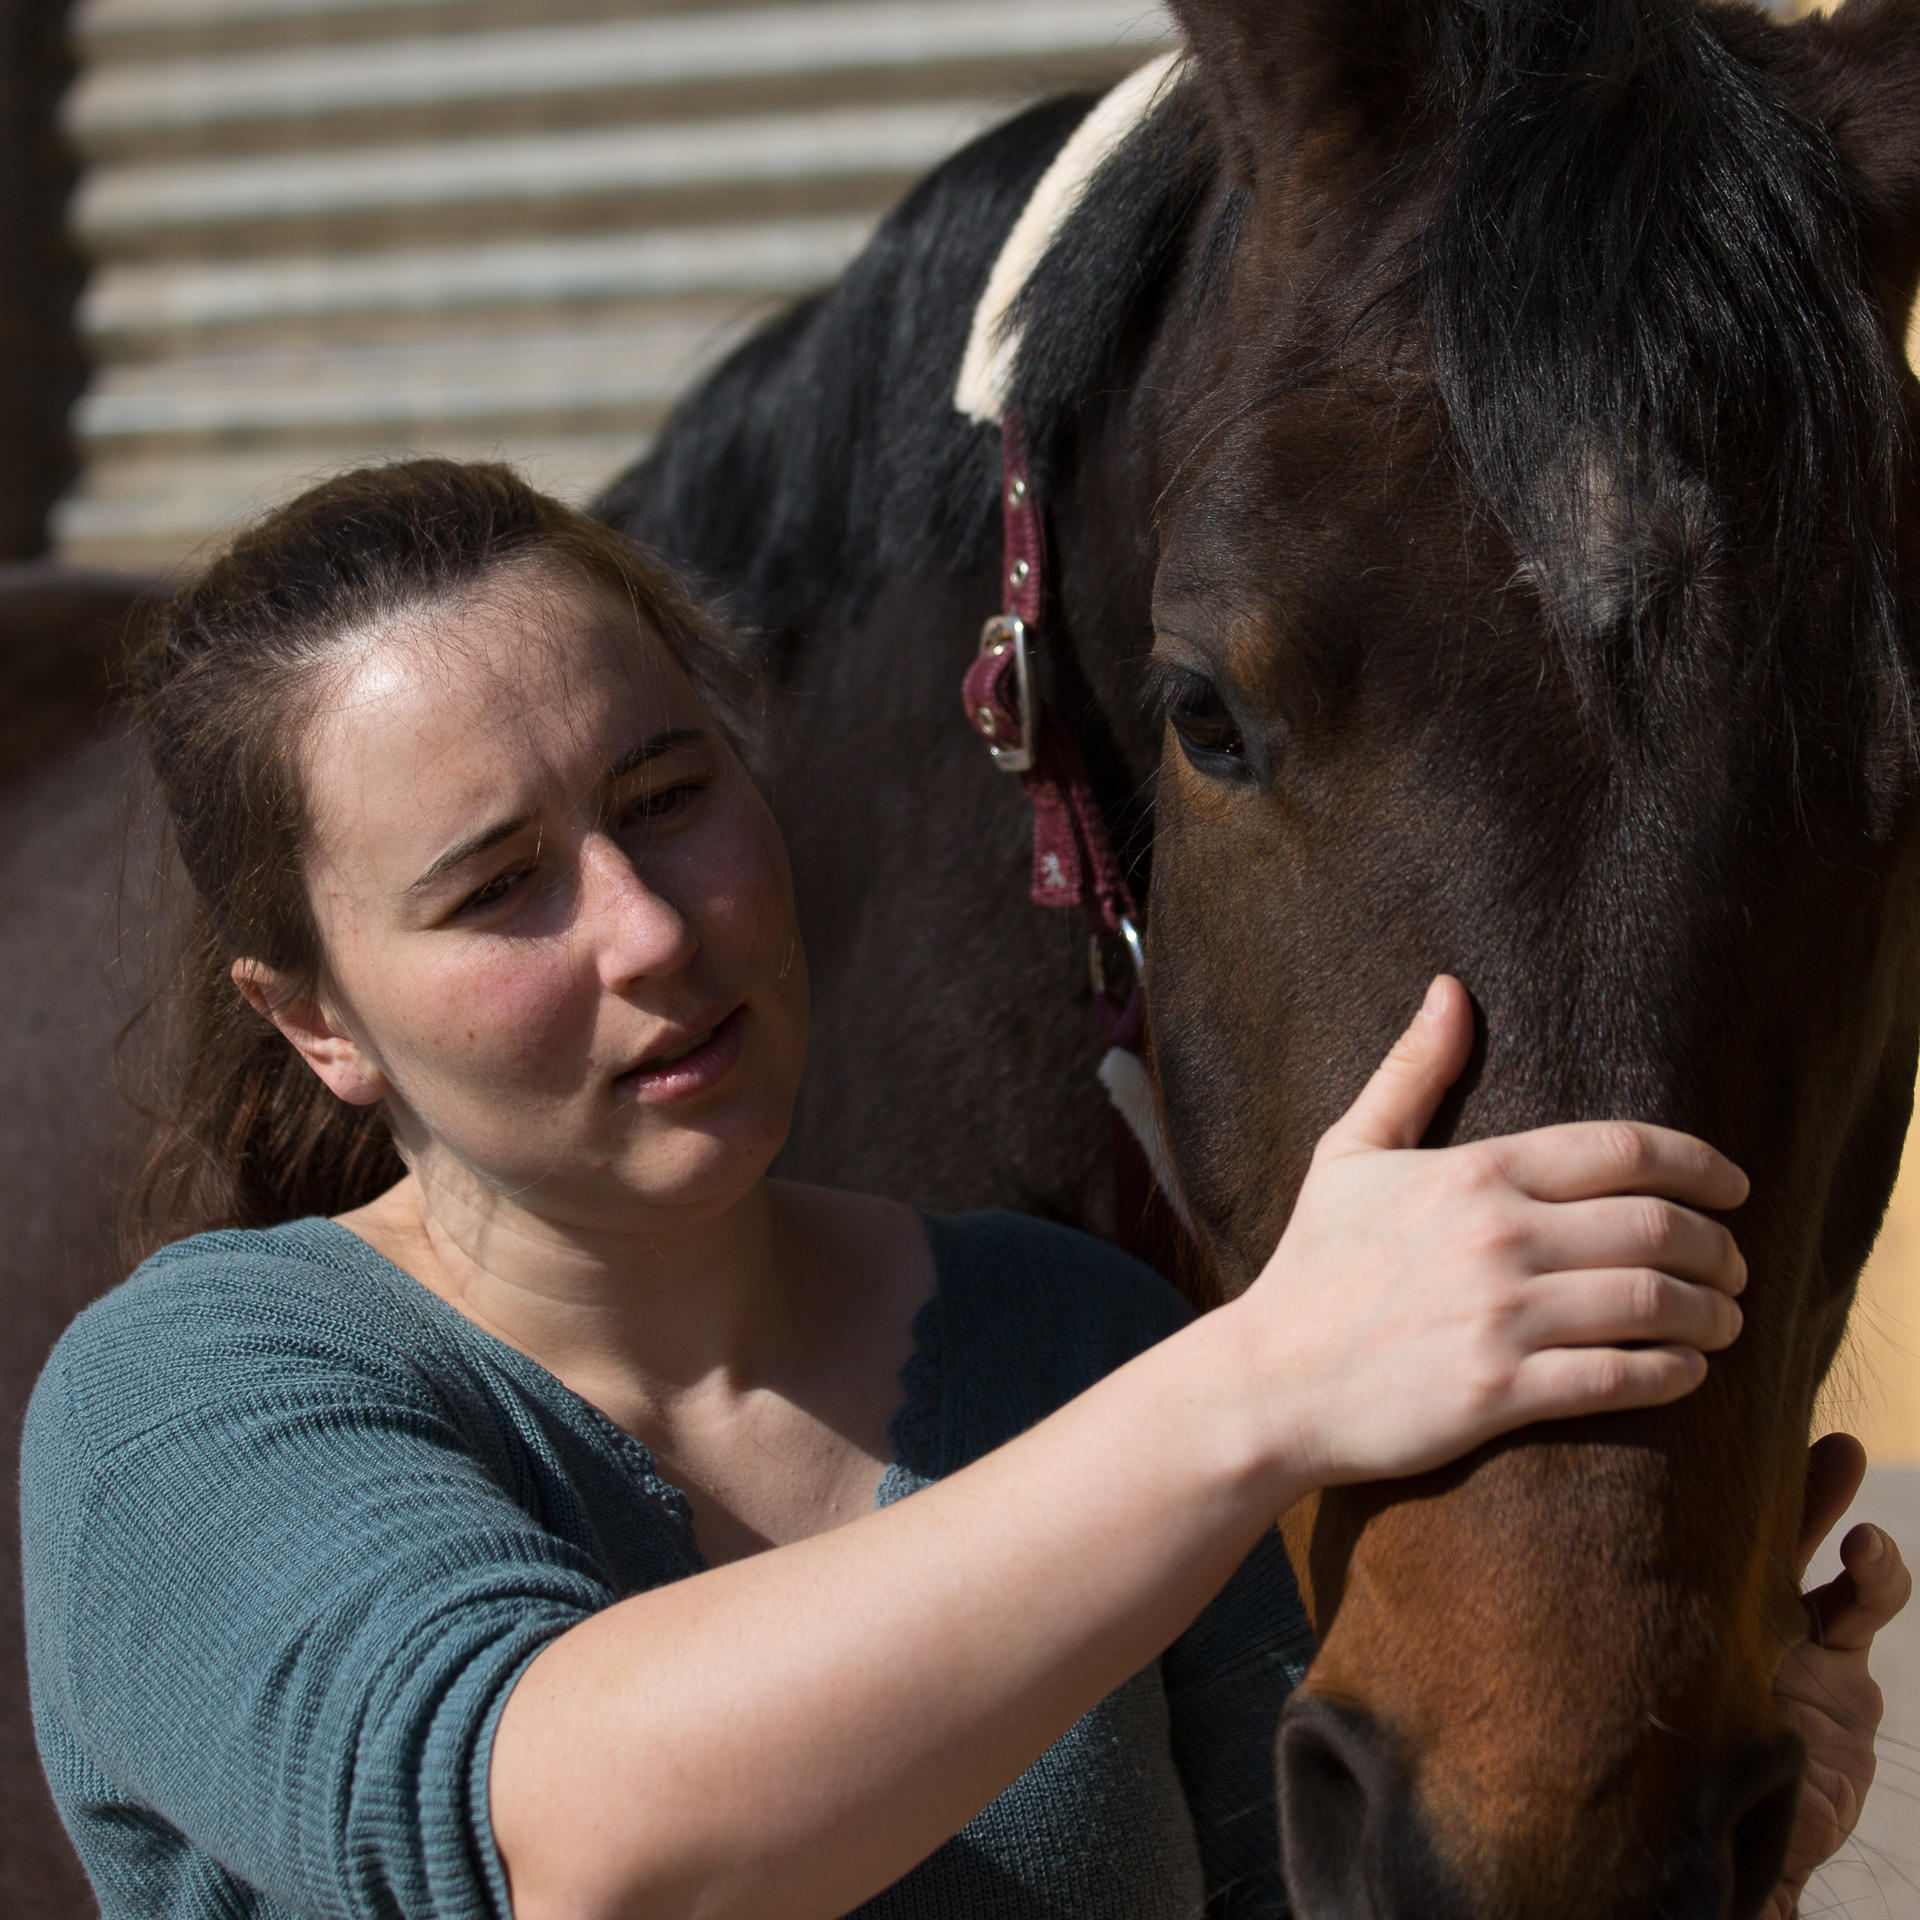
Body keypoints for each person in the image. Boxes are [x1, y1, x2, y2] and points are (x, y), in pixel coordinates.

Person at [19, 459, 1907, 1920]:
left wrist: (1717, 1863)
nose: (654, 930)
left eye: (672, 793)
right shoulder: (179, 1412)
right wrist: (1262, 1382)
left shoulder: (1071, 1342)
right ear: (317, 1019)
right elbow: (580, 1858)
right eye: (495, 883)